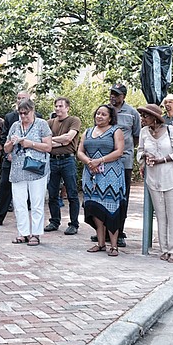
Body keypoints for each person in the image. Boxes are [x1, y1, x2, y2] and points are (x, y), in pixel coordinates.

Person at [90, 84, 140, 247]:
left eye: (116, 95)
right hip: (102, 163)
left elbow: (136, 137)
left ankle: (119, 232)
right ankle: (101, 233)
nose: (113, 97)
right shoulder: (105, 111)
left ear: (123, 96)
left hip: (122, 162)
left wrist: (124, 151)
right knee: (100, 197)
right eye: (111, 94)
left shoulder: (132, 113)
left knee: (120, 198)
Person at [137, 104, 173, 263]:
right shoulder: (144, 132)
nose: (142, 119)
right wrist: (145, 156)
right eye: (142, 116)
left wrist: (162, 160)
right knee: (160, 214)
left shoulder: (170, 130)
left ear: (155, 118)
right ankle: (164, 248)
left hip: (171, 176)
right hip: (153, 178)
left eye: (145, 116)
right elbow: (139, 151)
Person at [78, 104, 126, 257]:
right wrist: (88, 162)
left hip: (111, 175)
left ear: (111, 117)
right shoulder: (88, 131)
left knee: (111, 208)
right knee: (95, 207)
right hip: (91, 174)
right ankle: (100, 243)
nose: (99, 116)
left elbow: (119, 151)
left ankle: (114, 246)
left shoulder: (115, 131)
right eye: (98, 113)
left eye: (104, 114)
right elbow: (79, 151)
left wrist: (100, 160)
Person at [3, 99, 52, 246]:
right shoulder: (15, 126)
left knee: (36, 202)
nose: (23, 116)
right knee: (19, 203)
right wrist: (12, 142)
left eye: (26, 113)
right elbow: (6, 148)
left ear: (33, 110)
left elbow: (48, 147)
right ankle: (23, 233)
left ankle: (35, 234)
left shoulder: (42, 124)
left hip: (36, 168)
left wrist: (30, 144)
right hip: (18, 169)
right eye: (21, 113)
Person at [0, 91, 30, 227]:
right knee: (4, 186)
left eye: (22, 98)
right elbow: (3, 137)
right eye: (18, 98)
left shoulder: (38, 118)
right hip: (10, 159)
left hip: (28, 161)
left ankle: (26, 222)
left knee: (27, 190)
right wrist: (8, 154)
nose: (20, 100)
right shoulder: (9, 117)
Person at [44, 97, 81, 235]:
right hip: (52, 160)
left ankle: (74, 224)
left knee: (72, 193)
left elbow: (68, 138)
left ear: (67, 108)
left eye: (61, 106)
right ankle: (54, 221)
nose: (58, 108)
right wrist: (61, 142)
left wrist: (52, 140)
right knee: (52, 193)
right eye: (56, 106)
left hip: (68, 160)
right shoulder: (49, 123)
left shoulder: (73, 120)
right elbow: (44, 140)